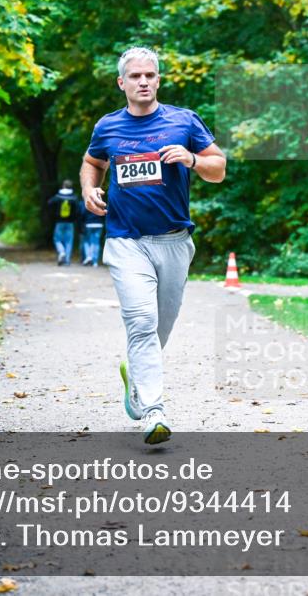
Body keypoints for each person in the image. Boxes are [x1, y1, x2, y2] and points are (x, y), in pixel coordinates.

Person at [80, 46, 226, 444]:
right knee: (141, 322)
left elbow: (219, 167)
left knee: (160, 327)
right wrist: (89, 190)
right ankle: (154, 410)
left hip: (175, 241)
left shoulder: (184, 121)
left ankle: (136, 382)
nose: (143, 82)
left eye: (150, 75)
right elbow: (92, 162)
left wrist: (192, 159)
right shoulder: (107, 127)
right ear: (121, 83)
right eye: (135, 76)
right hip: (126, 241)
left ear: (158, 80)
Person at [48, 180, 80, 265]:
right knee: (69, 241)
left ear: (63, 186)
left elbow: (49, 203)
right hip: (70, 223)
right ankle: (67, 261)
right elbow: (78, 209)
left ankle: (61, 252)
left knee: (57, 239)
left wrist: (54, 214)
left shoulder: (58, 196)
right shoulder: (74, 197)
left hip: (59, 222)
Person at [81, 202, 104, 266]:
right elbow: (104, 213)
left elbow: (83, 213)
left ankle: (89, 256)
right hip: (99, 224)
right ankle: (95, 262)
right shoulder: (100, 203)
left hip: (89, 224)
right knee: (96, 243)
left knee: (87, 241)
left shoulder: (88, 202)